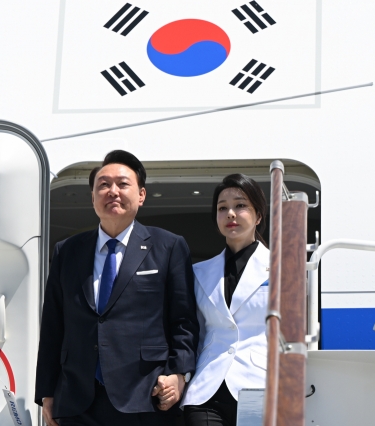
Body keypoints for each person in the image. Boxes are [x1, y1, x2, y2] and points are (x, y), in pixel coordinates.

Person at [35, 150, 199, 426]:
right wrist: (46, 393)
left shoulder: (168, 246)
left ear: (141, 195)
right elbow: (53, 327)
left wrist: (179, 375)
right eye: (103, 185)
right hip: (77, 400)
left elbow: (183, 320)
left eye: (123, 184)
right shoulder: (68, 251)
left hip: (145, 397)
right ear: (93, 197)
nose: (112, 191)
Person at [181, 173, 270, 426]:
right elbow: (194, 331)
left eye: (240, 205)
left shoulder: (283, 268)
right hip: (206, 389)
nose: (231, 213)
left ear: (258, 215)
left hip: (258, 385)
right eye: (223, 208)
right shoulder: (199, 272)